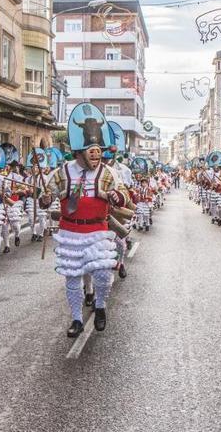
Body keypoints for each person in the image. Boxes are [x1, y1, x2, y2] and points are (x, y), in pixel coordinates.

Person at [41, 103, 130, 337]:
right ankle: (77, 319)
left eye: (98, 149)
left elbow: (124, 196)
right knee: (73, 279)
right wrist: (46, 197)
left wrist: (115, 195)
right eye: (90, 149)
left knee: (102, 274)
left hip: (98, 232)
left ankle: (100, 306)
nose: (96, 153)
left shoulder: (108, 173)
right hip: (70, 233)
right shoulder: (62, 172)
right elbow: (45, 196)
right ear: (78, 151)